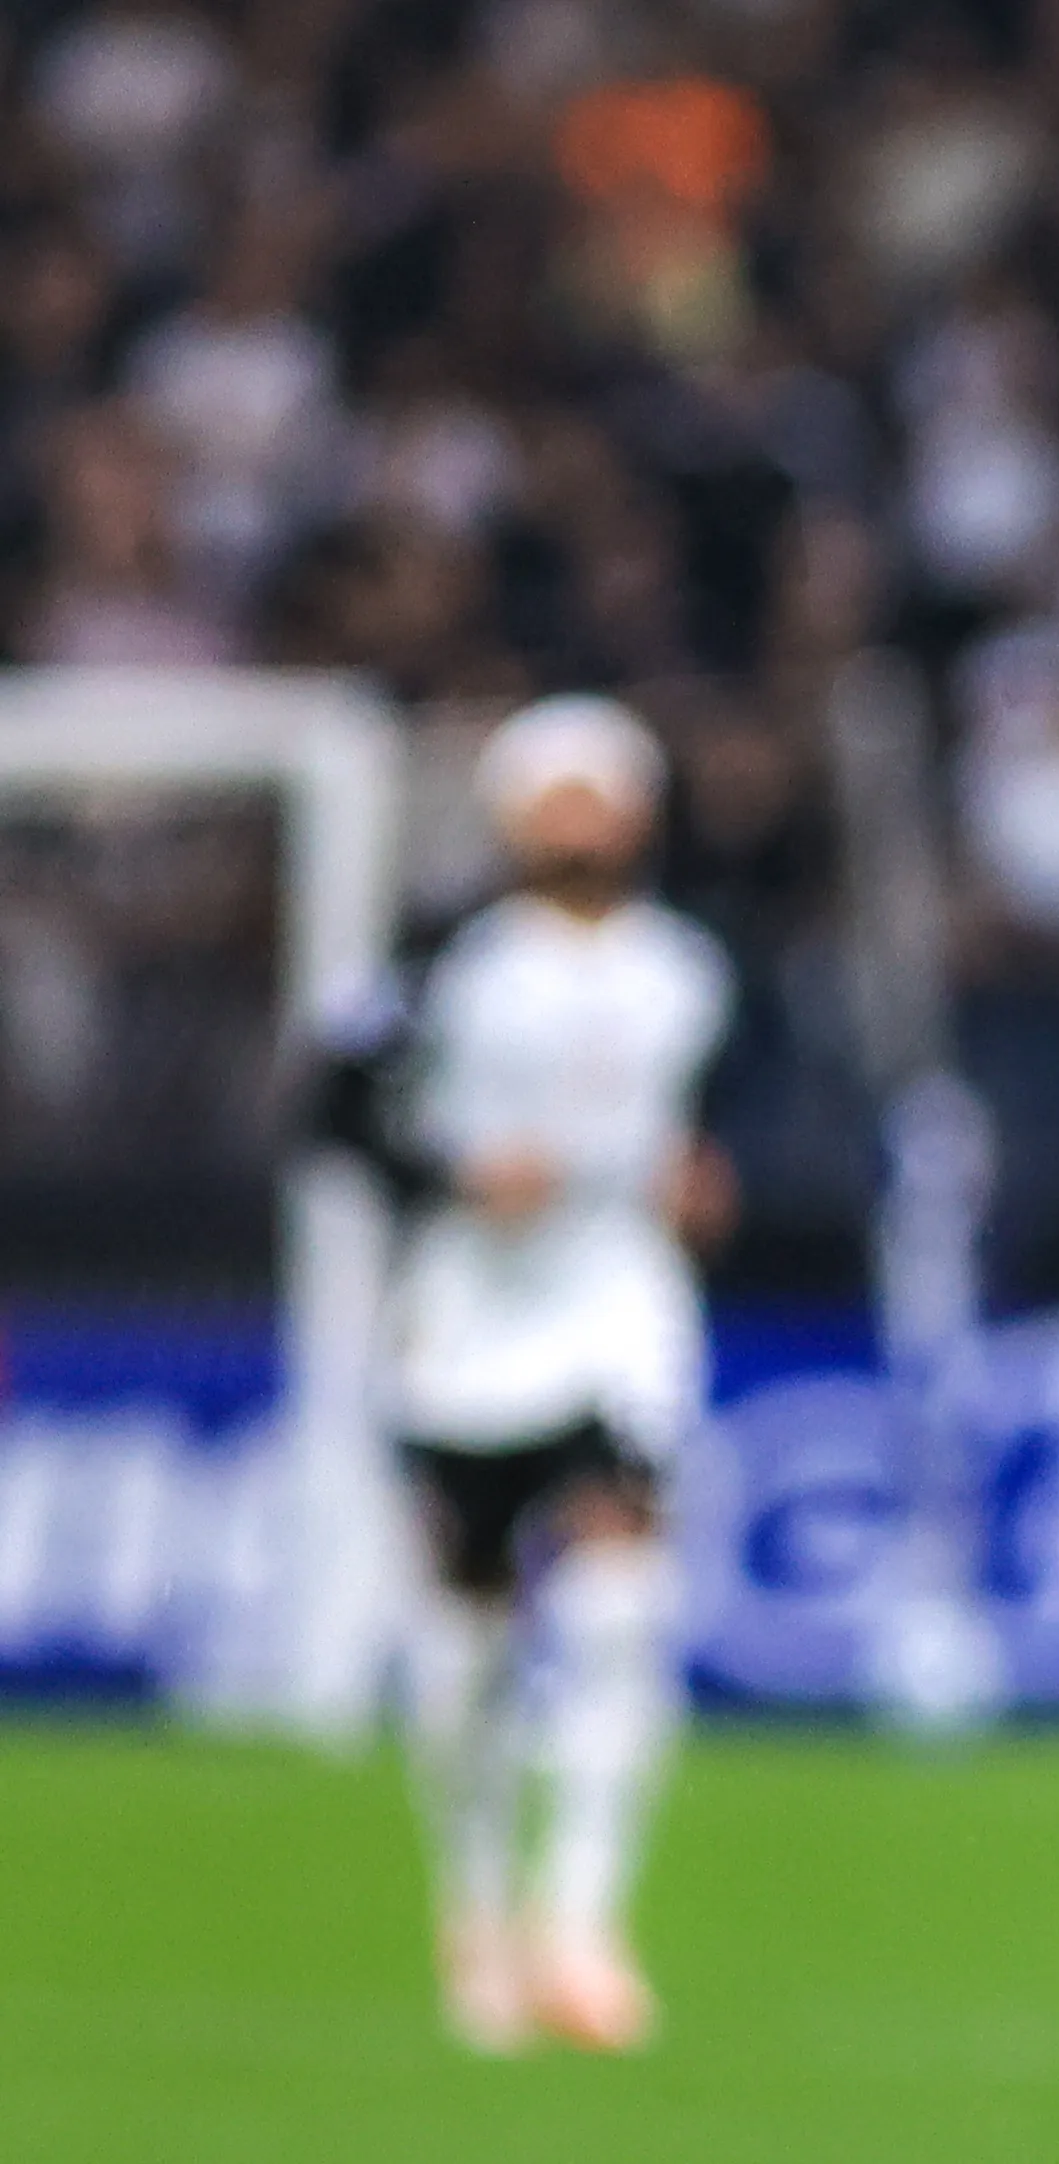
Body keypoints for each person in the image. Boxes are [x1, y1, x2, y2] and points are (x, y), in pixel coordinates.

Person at [319, 693, 735, 2054]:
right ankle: (477, 1906)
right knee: (471, 1638)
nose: (584, 819)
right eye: (560, 794)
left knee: (621, 1598)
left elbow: (700, 1126)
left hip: (619, 1306)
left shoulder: (690, 968)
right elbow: (326, 1114)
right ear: (512, 815)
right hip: (467, 1321)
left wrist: (699, 1181)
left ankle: (582, 1922)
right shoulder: (439, 963)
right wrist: (450, 1175)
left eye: (603, 793)